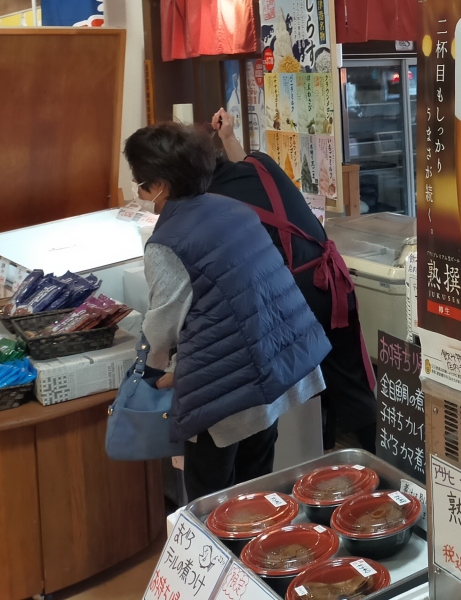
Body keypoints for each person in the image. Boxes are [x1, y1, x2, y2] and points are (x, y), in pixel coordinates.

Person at [125, 122, 330, 502]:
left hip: (223, 384)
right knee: (257, 488)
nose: (138, 192)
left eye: (140, 183)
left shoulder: (167, 243)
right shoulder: (233, 209)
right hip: (275, 364)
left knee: (211, 499)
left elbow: (163, 325)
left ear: (161, 185)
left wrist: (148, 371)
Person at [208, 108, 379, 452]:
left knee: (302, 390)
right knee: (349, 381)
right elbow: (242, 164)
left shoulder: (211, 200)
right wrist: (228, 136)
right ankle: (379, 464)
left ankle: (316, 460)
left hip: (296, 296)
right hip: (332, 285)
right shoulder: (261, 166)